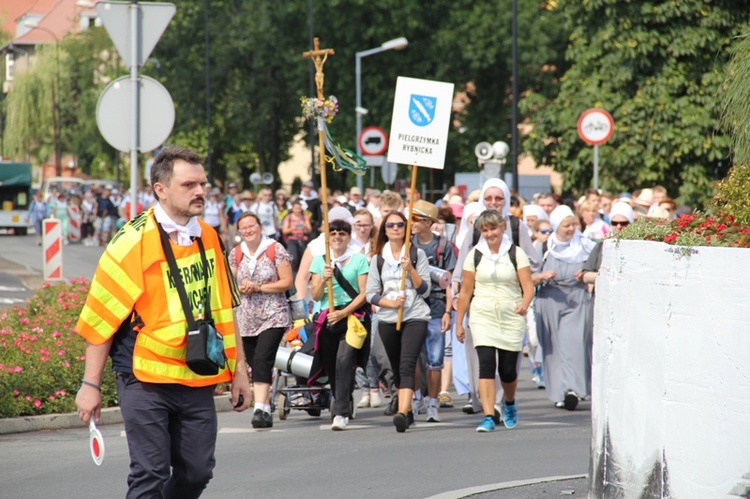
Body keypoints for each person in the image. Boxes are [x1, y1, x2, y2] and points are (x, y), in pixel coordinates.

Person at [74, 145, 251, 498]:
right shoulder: (131, 241)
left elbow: (224, 309)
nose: (201, 191)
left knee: (198, 472)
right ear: (161, 189)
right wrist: (89, 385)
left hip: (197, 373)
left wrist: (240, 369)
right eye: (189, 185)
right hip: (145, 378)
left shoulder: (210, 237)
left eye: (202, 184)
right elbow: (102, 318)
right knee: (150, 473)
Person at [455, 210, 534, 432]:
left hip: (511, 313)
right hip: (482, 315)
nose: (490, 233)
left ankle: (509, 402)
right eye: (485, 230)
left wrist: (524, 304)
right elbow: (465, 291)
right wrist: (459, 322)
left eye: (494, 228)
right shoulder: (474, 255)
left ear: (502, 227)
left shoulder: (516, 253)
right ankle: (489, 415)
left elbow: (528, 286)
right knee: (486, 365)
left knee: (508, 370)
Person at [366, 211, 431, 433]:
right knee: (396, 368)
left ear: (406, 228)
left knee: (407, 365)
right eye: (390, 225)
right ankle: (409, 411)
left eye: (400, 225)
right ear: (384, 230)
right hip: (388, 317)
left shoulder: (416, 254)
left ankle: (402, 413)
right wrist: (389, 304)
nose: (395, 228)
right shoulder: (378, 259)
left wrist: (410, 270)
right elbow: (370, 294)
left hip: (415, 315)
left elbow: (425, 289)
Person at [229, 211, 293, 428]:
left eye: (251, 226)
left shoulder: (275, 249)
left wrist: (259, 287)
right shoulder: (236, 253)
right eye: (243, 228)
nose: (248, 231)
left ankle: (259, 408)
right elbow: (231, 284)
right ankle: (265, 408)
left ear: (260, 227)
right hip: (247, 316)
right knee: (254, 360)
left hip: (273, 313)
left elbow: (286, 281)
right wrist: (242, 287)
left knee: (263, 358)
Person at [310, 219, 370, 431]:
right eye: (333, 233)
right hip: (327, 317)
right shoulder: (320, 261)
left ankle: (340, 413)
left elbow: (364, 293)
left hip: (353, 317)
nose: (337, 236)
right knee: (332, 364)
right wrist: (322, 278)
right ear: (328, 237)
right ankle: (342, 398)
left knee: (344, 360)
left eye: (342, 233)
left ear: (348, 236)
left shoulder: (359, 259)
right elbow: (315, 294)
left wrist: (344, 312)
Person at [535, 205, 596, 411]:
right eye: (566, 225)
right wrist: (542, 277)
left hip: (576, 298)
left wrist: (586, 274)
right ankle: (559, 392)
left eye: (573, 224)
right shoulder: (544, 248)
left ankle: (573, 389)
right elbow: (529, 275)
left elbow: (597, 268)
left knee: (574, 343)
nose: (571, 229)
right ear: (555, 226)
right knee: (553, 346)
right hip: (550, 298)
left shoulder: (586, 245)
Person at [409, 199, 457, 422]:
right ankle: (417, 397)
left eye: (415, 219)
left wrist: (448, 312)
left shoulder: (444, 246)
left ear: (428, 222)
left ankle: (433, 403)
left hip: (437, 307)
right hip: (413, 306)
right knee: (413, 356)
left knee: (435, 360)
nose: (411, 223)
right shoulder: (408, 245)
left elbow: (452, 282)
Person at [282, 200, 312, 274]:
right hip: (292, 239)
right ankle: (293, 275)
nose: (298, 210)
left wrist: (305, 226)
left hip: (302, 239)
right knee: (294, 258)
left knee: (304, 258)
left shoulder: (305, 217)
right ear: (292, 209)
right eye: (296, 208)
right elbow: (284, 231)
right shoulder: (288, 217)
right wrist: (293, 228)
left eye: (299, 208)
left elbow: (309, 230)